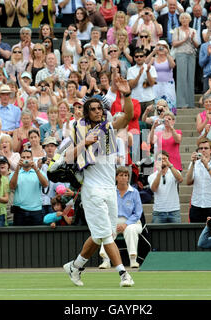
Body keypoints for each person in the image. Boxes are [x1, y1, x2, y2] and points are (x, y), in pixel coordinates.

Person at [62, 76, 136, 288]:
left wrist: (127, 95)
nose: (98, 111)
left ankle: (75, 267)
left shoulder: (110, 128)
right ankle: (124, 274)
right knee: (105, 234)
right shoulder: (78, 132)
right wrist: (84, 143)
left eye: (99, 108)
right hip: (92, 190)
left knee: (100, 235)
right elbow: (67, 158)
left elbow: (129, 116)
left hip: (109, 189)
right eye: (93, 109)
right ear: (87, 112)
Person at [98, 167, 143, 269]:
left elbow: (137, 213)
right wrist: (113, 223)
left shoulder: (134, 192)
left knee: (131, 229)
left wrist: (125, 224)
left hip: (132, 222)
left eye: (126, 175)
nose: (124, 178)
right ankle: (106, 260)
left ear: (128, 178)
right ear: (116, 177)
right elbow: (105, 209)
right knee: (107, 230)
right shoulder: (110, 191)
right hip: (113, 221)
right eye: (121, 175)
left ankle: (133, 260)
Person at [186, 137, 211, 222]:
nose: (203, 150)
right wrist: (192, 163)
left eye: (206, 148)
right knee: (195, 232)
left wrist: (207, 165)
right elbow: (188, 182)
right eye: (200, 148)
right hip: (197, 204)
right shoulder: (194, 164)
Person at [10, 149, 48, 226]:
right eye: (23, 157)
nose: (26, 159)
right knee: (18, 236)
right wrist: (17, 168)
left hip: (36, 210)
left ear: (32, 158)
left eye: (28, 157)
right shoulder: (15, 173)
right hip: (19, 211)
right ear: (20, 159)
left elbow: (45, 185)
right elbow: (12, 187)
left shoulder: (39, 172)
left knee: (37, 237)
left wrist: (36, 169)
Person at [148, 150, 183, 223]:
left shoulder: (175, 172)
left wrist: (170, 165)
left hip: (174, 211)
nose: (163, 161)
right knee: (157, 234)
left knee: (177, 234)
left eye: (165, 159)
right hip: (158, 211)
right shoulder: (152, 176)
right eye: (160, 159)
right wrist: (159, 172)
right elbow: (154, 189)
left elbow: (180, 179)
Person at [127, 48, 157, 120]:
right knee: (138, 123)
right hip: (136, 100)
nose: (139, 58)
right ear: (134, 58)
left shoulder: (151, 68)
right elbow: (131, 85)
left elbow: (152, 83)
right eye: (137, 56)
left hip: (149, 99)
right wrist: (139, 75)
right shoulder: (130, 70)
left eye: (141, 56)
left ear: (145, 57)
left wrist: (147, 72)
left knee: (150, 123)